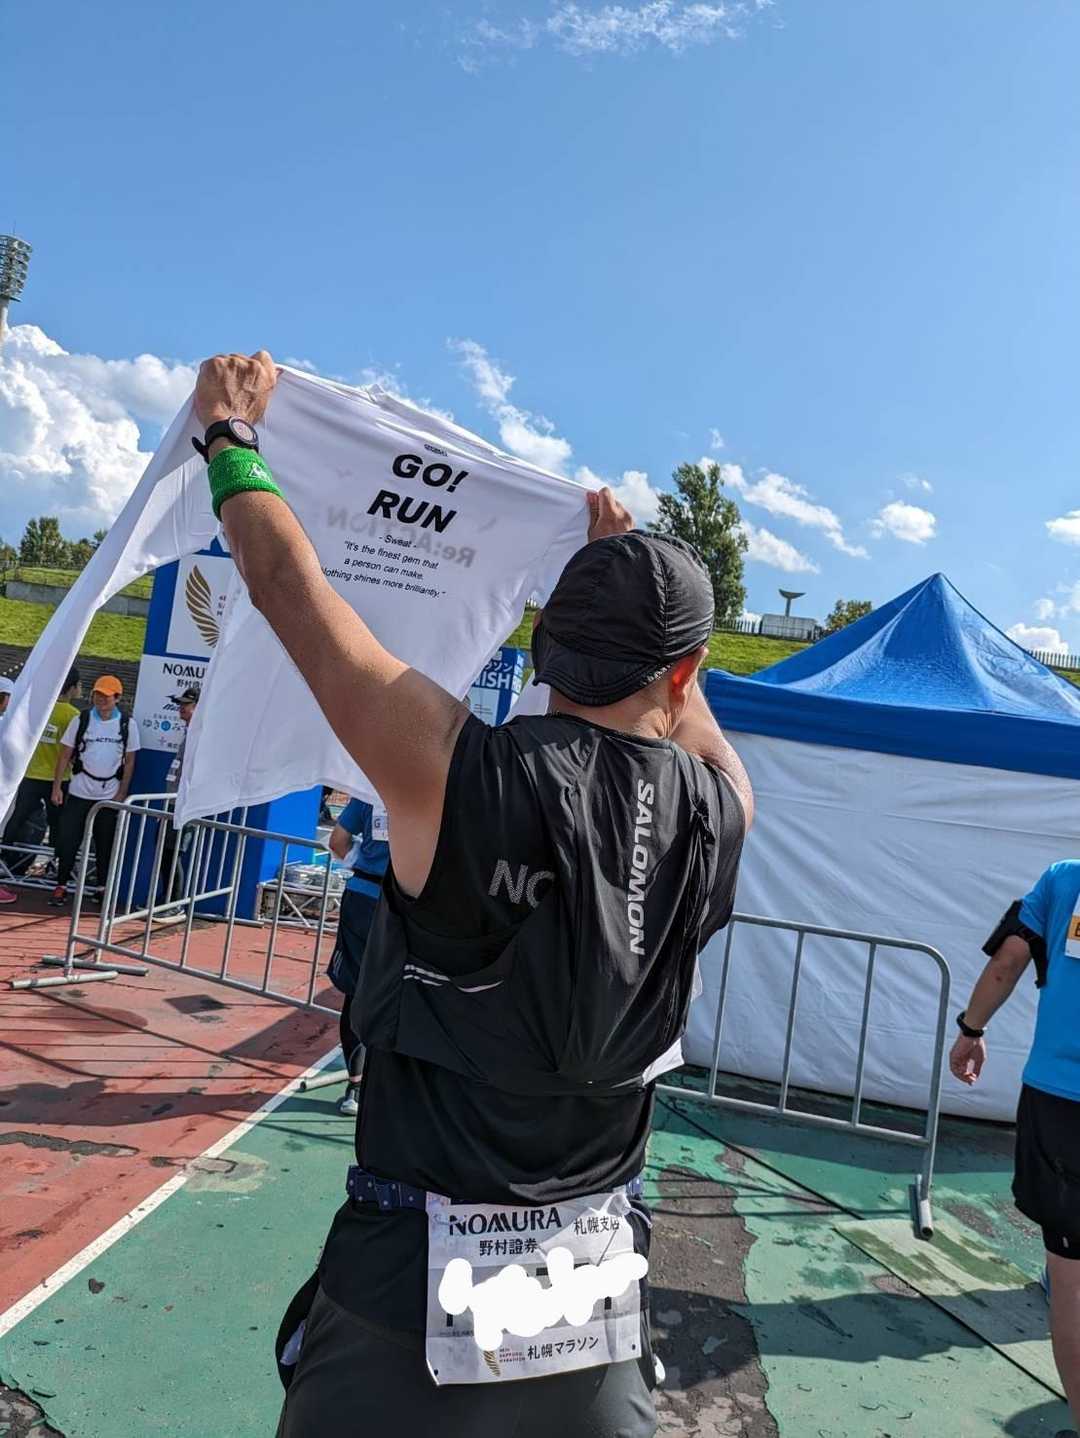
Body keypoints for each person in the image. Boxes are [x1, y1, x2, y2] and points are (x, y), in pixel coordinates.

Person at [193, 351, 752, 1438]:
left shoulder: (453, 769)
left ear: (544, 644)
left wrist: (231, 439)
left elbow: (291, 592)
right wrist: (633, 583)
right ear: (685, 673)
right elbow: (696, 726)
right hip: (588, 1300)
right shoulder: (724, 807)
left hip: (405, 1286)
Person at [950, 864, 1080, 1434]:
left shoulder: (1065, 881)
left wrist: (971, 1030)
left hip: (1060, 1102)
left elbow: (1008, 960)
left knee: (1070, 1279)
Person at [50, 675, 140, 906]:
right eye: (97, 694)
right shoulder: (81, 719)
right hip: (79, 791)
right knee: (68, 840)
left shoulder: (127, 724)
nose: (100, 699)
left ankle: (101, 888)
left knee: (105, 842)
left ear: (117, 698)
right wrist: (57, 786)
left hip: (108, 794)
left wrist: (122, 792)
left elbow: (130, 761)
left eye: (106, 696)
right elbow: (65, 754)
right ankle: (61, 885)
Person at [327, 797, 390, 1116]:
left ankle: (355, 1086)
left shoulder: (367, 790)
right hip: (407, 903)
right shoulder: (429, 786)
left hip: (362, 898)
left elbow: (337, 840)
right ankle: (388, 1085)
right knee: (397, 992)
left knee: (356, 992)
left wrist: (360, 862)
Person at [1, 666, 82, 887]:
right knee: (57, 824)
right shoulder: (73, 716)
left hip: (31, 774)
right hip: (58, 779)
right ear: (73, 688)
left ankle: (4, 857)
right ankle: (54, 865)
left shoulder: (41, 709)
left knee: (18, 817)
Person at [159, 685, 199, 903]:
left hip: (184, 805)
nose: (181, 708)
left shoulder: (201, 735)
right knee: (166, 853)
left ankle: (172, 903)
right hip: (173, 803)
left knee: (173, 854)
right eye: (180, 704)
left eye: (187, 704)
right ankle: (165, 901)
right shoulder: (189, 732)